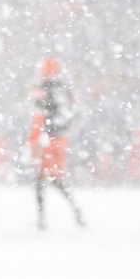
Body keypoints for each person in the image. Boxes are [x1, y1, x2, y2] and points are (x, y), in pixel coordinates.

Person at [27, 57, 85, 229]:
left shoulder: (51, 89)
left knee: (47, 178)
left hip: (50, 138)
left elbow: (50, 112)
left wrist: (44, 130)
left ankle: (44, 218)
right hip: (55, 138)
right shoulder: (60, 88)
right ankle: (51, 216)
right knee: (49, 177)